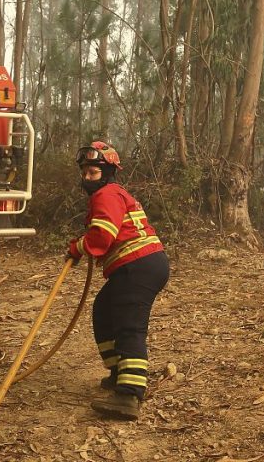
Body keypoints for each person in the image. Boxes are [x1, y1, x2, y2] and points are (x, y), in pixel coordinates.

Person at [66, 141, 170, 420]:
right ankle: (118, 373)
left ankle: (129, 395)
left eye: (93, 173)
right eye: (85, 173)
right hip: (138, 265)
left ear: (108, 173)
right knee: (104, 312)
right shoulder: (112, 193)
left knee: (129, 326)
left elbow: (102, 236)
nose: (87, 178)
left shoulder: (107, 195)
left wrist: (77, 248)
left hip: (138, 266)